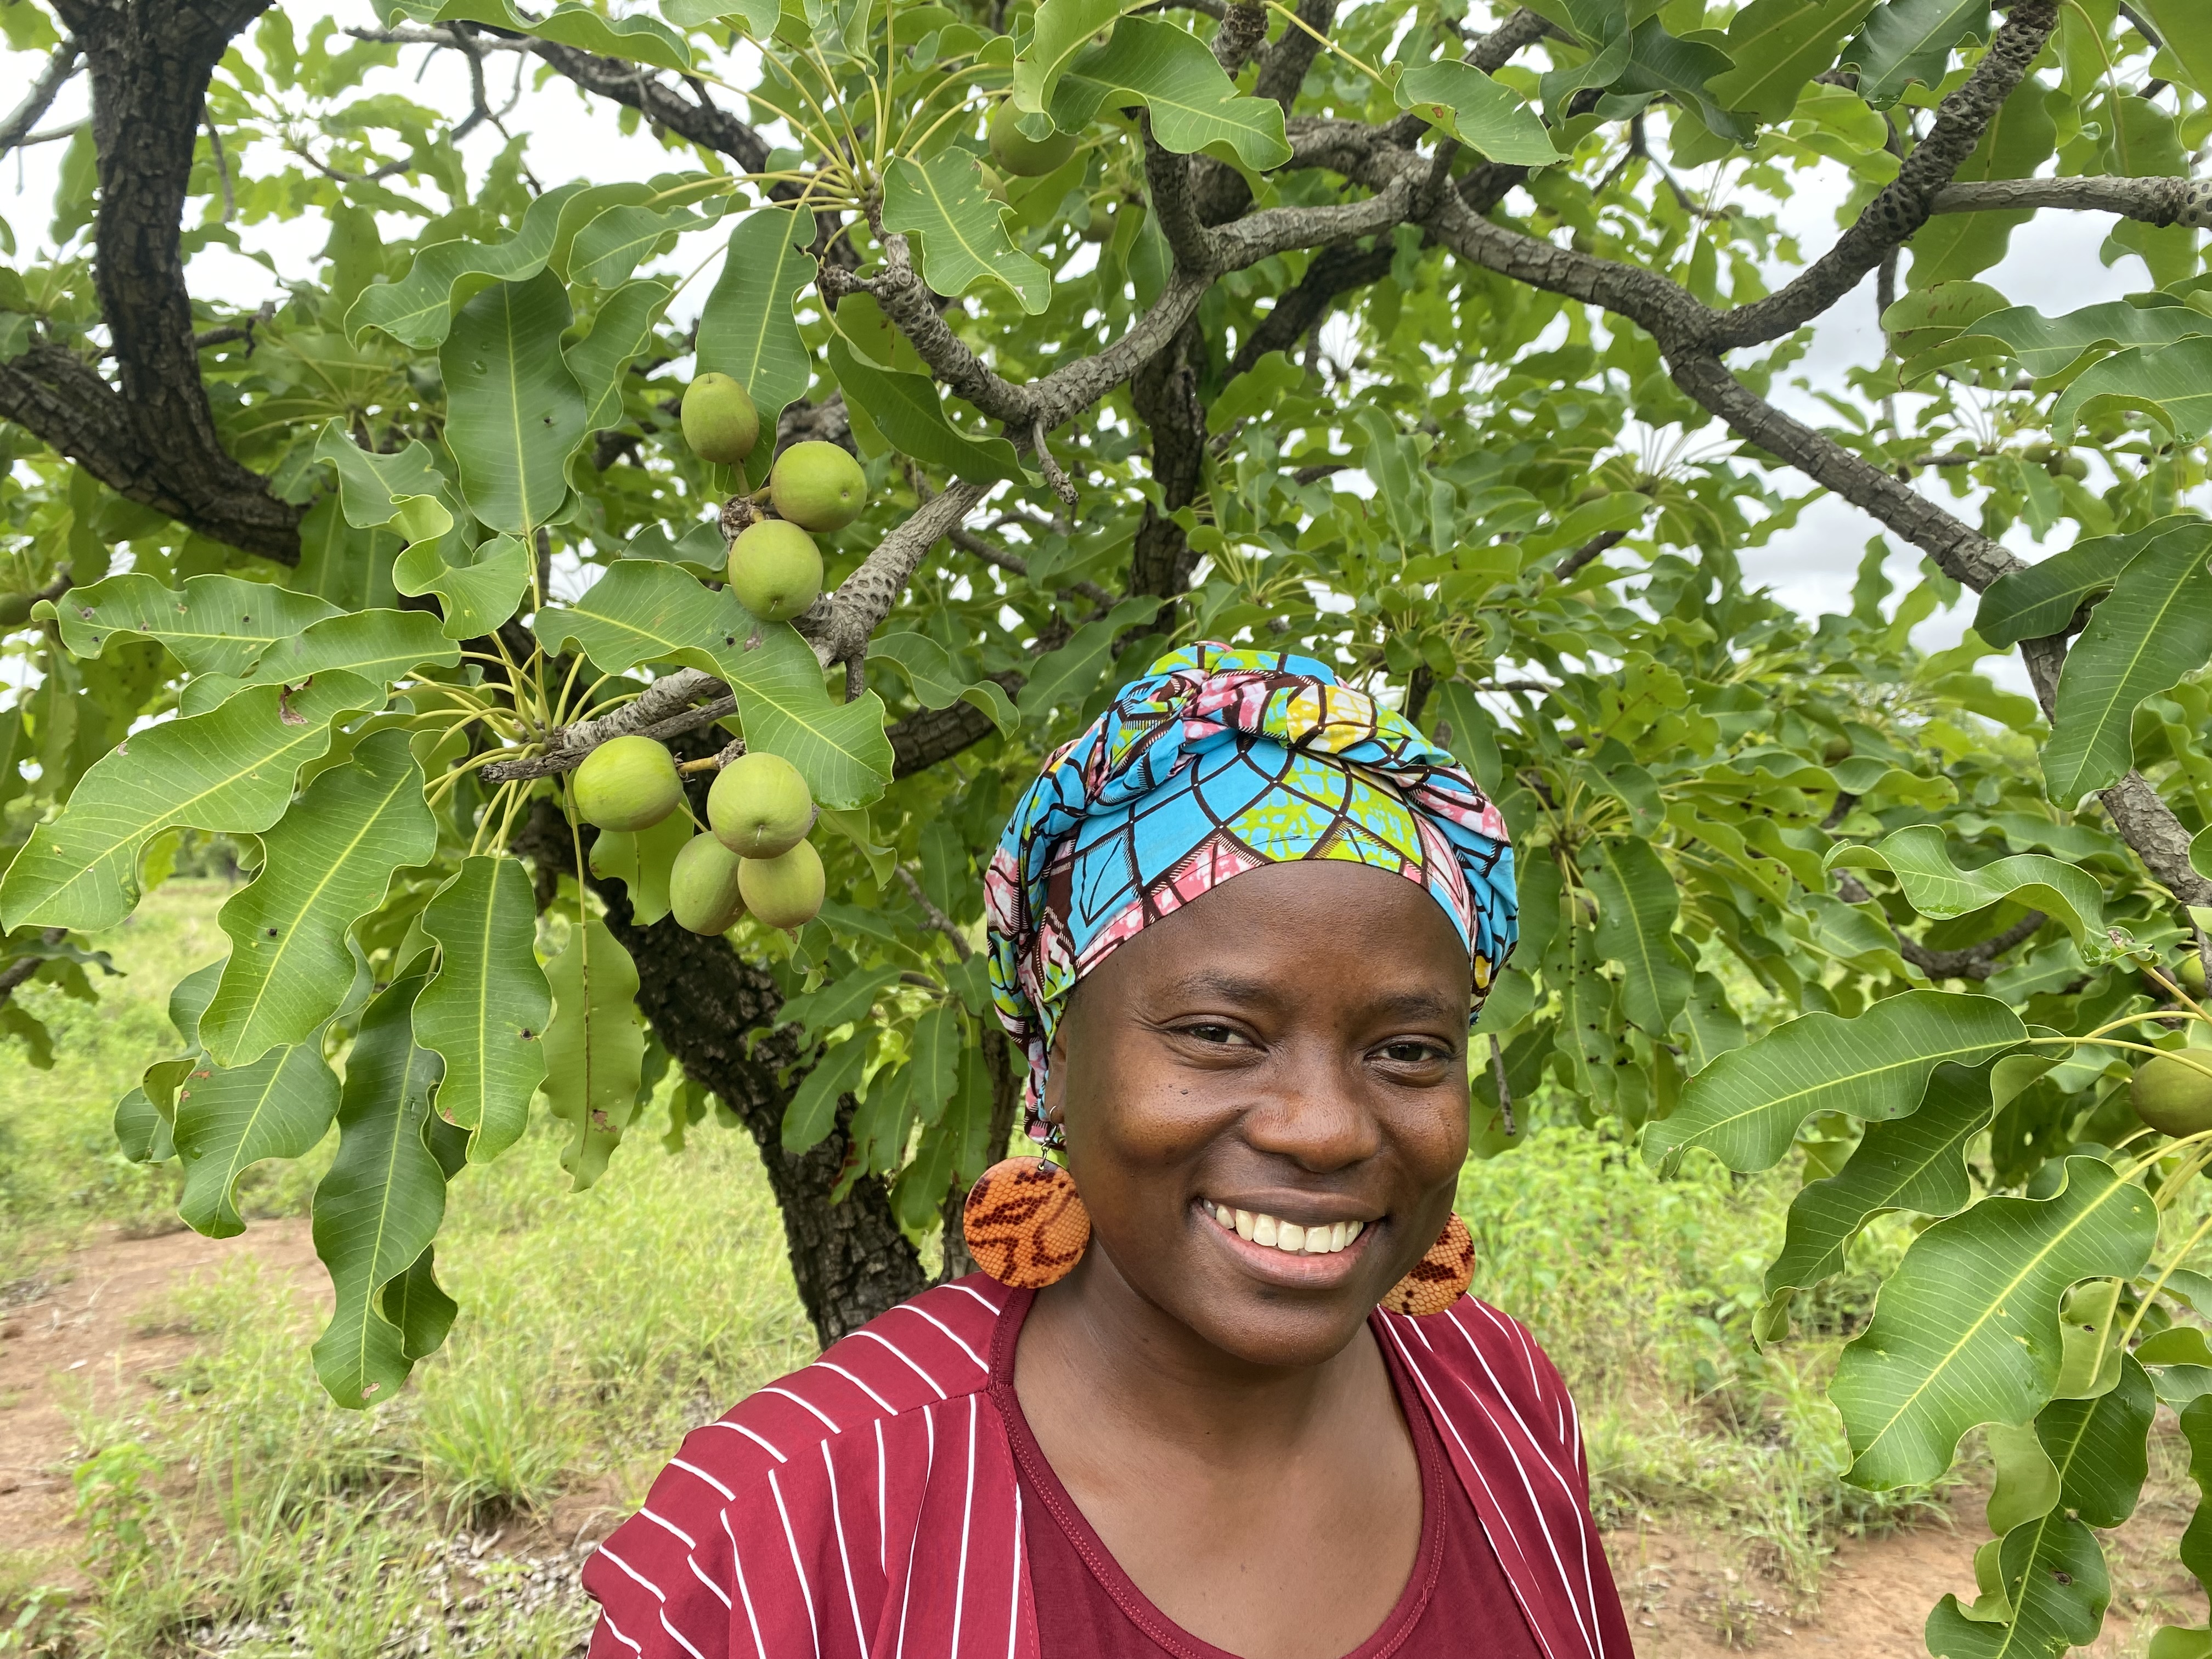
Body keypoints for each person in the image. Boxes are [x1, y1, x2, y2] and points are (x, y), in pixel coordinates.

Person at [583, 642, 1633, 1659]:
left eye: (1408, 1051)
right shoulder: (784, 1516)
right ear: (1057, 1060)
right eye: (1219, 1034)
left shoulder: (1503, 1401)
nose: (1325, 1130)